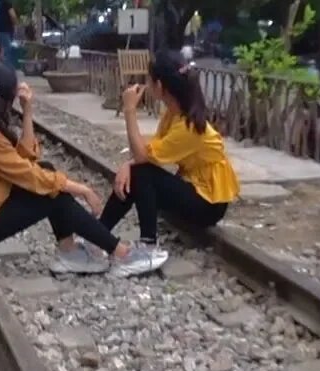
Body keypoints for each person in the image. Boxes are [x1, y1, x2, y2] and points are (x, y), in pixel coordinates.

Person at [0, 64, 169, 278]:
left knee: (47, 173)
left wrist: (27, 111)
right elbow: (30, 174)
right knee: (53, 193)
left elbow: (26, 159)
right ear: (9, 99)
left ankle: (69, 251)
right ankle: (122, 254)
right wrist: (82, 189)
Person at [99, 50, 239, 247]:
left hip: (209, 204)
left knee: (142, 174)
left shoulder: (189, 126)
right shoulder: (173, 113)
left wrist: (129, 110)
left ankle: (147, 246)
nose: (146, 84)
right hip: (194, 187)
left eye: (149, 80)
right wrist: (128, 165)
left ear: (160, 86)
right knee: (138, 172)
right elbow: (147, 153)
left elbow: (141, 157)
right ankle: (98, 235)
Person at [0, 0, 18, 69]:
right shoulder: (7, 3)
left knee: (0, 50)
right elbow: (13, 15)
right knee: (7, 50)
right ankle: (7, 70)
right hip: (6, 29)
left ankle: (0, 68)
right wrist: (15, 24)